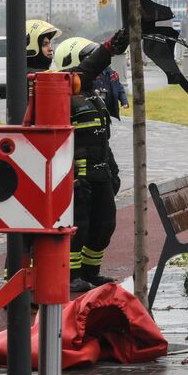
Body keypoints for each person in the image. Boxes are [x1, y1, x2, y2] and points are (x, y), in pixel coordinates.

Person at [52, 30, 129, 292]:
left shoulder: (93, 95)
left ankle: (90, 271)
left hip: (101, 172)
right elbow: (57, 144)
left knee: (105, 224)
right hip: (80, 177)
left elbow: (102, 138)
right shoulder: (60, 95)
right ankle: (71, 275)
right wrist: (71, 177)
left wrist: (112, 168)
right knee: (79, 228)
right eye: (90, 59)